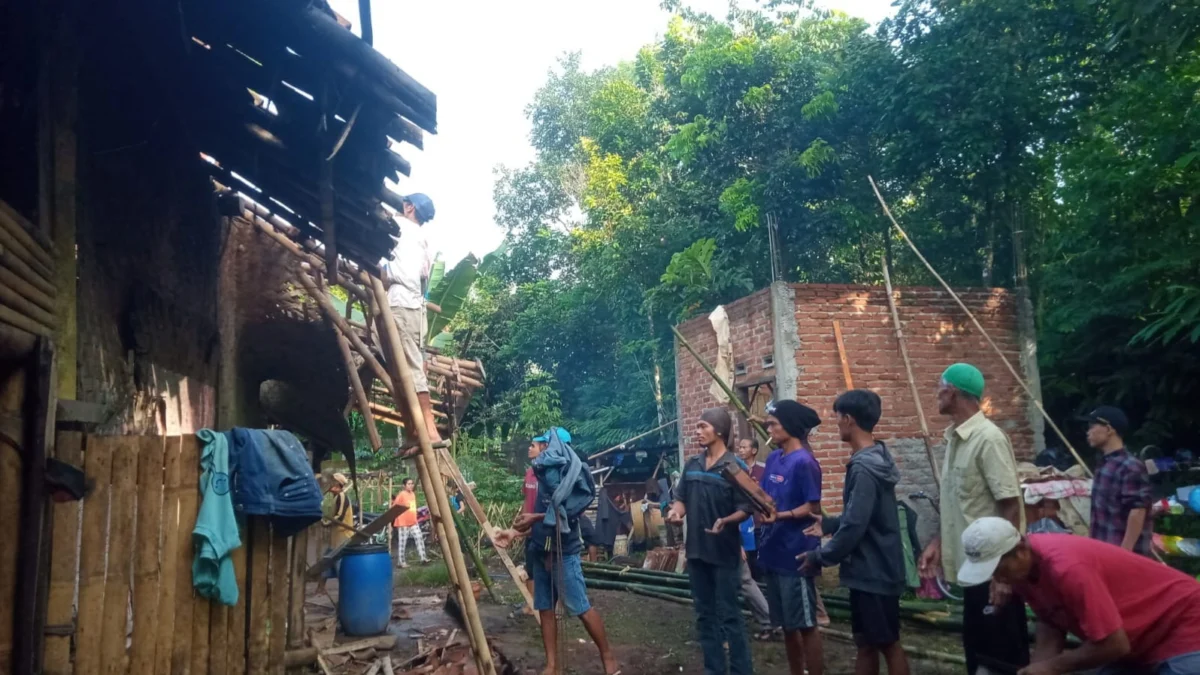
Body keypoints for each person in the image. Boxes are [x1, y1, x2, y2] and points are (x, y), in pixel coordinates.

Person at [958, 517, 1200, 675]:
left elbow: (1114, 644)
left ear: (1020, 551)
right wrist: (1038, 668)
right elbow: (1050, 620)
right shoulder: (1021, 572)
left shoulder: (1068, 569)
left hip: (1184, 625)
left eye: (998, 568)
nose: (996, 578)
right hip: (1137, 641)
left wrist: (1052, 667)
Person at [918, 363, 1028, 674]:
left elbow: (1010, 506)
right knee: (977, 656)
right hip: (971, 570)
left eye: (939, 387)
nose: (936, 394)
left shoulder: (988, 439)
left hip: (994, 573)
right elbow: (961, 505)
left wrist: (1004, 574)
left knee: (1001, 660)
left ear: (951, 391)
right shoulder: (955, 439)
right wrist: (939, 541)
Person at [493, 428, 620, 675]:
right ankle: (552, 665)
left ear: (554, 448)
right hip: (541, 550)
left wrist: (534, 517)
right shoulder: (542, 476)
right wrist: (515, 532)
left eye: (541, 443)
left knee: (581, 607)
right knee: (545, 608)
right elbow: (542, 521)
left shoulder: (569, 478)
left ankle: (608, 656)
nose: (538, 448)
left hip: (564, 554)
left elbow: (563, 515)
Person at [801, 390, 910, 675]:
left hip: (874, 571)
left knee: (888, 643)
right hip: (872, 569)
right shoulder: (875, 458)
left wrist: (820, 556)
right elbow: (862, 517)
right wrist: (829, 524)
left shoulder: (864, 468)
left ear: (849, 419)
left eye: (837, 418)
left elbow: (855, 527)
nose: (836, 424)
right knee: (865, 643)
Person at [667, 407, 754, 675]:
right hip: (696, 552)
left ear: (718, 431)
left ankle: (741, 671)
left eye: (703, 427)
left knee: (730, 615)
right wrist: (675, 512)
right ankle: (714, 669)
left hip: (724, 554)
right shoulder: (692, 465)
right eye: (697, 427)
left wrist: (728, 520)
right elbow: (681, 498)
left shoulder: (734, 467)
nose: (698, 431)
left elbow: (746, 507)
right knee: (705, 615)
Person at [757, 400, 824, 675]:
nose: (768, 427)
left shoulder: (805, 463)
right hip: (772, 550)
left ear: (791, 427)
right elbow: (764, 497)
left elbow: (813, 507)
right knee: (786, 624)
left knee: (806, 624)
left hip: (796, 552)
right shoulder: (773, 458)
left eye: (773, 423)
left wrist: (781, 516)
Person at [382, 193, 441, 443]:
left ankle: (428, 431)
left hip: (401, 304)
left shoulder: (397, 227)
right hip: (415, 306)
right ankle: (417, 431)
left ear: (409, 207)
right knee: (408, 366)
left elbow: (385, 275)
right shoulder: (422, 240)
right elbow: (422, 276)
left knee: (412, 369)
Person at [1084, 406, 1153, 555]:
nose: (1088, 432)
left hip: (1122, 555)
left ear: (1109, 429)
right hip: (1103, 549)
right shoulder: (1104, 465)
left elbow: (1138, 510)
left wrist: (1125, 552)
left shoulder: (1130, 466)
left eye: (1092, 427)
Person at [317, 473, 354, 593]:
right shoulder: (336, 497)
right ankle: (321, 587)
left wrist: (326, 523)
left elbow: (340, 516)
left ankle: (345, 589)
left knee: (338, 562)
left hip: (343, 535)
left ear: (337, 485)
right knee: (328, 559)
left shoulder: (342, 496)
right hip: (336, 535)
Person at [393, 478, 429, 568]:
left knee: (419, 537)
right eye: (409, 484)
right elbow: (394, 506)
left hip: (413, 521)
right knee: (402, 542)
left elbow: (412, 508)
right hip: (403, 522)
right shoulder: (402, 494)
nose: (411, 485)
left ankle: (423, 558)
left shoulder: (412, 494)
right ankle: (401, 562)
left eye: (412, 484)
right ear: (404, 486)